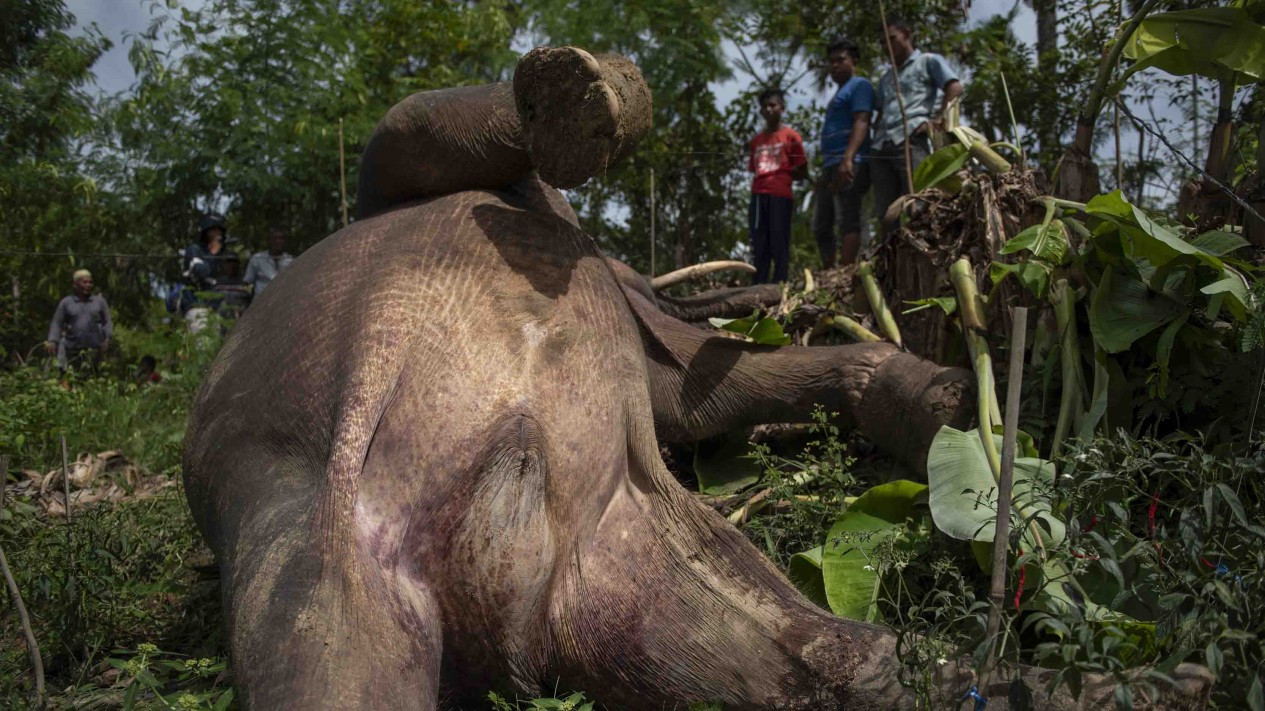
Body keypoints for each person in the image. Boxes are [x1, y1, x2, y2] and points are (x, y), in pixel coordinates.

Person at [870, 18, 963, 237]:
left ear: (906, 34)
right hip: (882, 143)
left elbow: (954, 87)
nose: (887, 46)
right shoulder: (885, 78)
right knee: (886, 209)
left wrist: (938, 119)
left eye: (891, 38)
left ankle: (924, 245)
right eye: (882, 42)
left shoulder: (928, 61)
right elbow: (881, 112)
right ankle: (890, 255)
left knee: (919, 199)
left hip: (911, 136)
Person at [812, 37, 874, 269]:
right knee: (822, 223)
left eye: (841, 60)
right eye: (832, 61)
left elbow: (861, 121)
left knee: (848, 217)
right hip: (830, 164)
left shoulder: (860, 86)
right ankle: (830, 271)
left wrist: (848, 158)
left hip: (850, 162)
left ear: (854, 61)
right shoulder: (838, 94)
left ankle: (847, 271)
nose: (835, 65)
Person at [747, 88, 807, 284]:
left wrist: (784, 178)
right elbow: (752, 168)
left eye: (772, 105)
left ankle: (780, 282)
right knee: (759, 240)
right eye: (764, 107)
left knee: (779, 238)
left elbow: (802, 167)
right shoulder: (756, 141)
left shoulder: (791, 136)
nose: (768, 109)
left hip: (780, 195)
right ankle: (758, 283)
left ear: (782, 108)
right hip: (758, 195)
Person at [45, 268, 112, 374]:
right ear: (75, 284)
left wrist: (107, 339)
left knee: (92, 378)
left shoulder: (99, 302)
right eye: (84, 282)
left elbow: (107, 322)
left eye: (90, 282)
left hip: (94, 350)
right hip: (72, 350)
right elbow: (57, 323)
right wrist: (52, 340)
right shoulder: (66, 303)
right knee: (70, 377)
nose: (88, 285)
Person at [181, 213, 228, 332]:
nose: (218, 235)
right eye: (214, 231)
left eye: (219, 232)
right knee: (203, 346)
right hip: (198, 307)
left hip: (216, 308)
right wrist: (213, 254)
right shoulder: (194, 250)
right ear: (205, 231)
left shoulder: (222, 254)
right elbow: (202, 272)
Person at [244, 227, 294, 297]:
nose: (277, 241)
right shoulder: (257, 259)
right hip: (261, 301)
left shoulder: (290, 260)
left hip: (282, 299)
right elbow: (247, 282)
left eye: (280, 238)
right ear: (269, 241)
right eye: (274, 238)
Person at [212, 251, 252, 319]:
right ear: (224, 264)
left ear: (238, 264)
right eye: (228, 262)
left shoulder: (245, 282)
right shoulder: (218, 283)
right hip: (221, 318)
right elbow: (213, 302)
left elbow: (250, 302)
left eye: (234, 262)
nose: (231, 265)